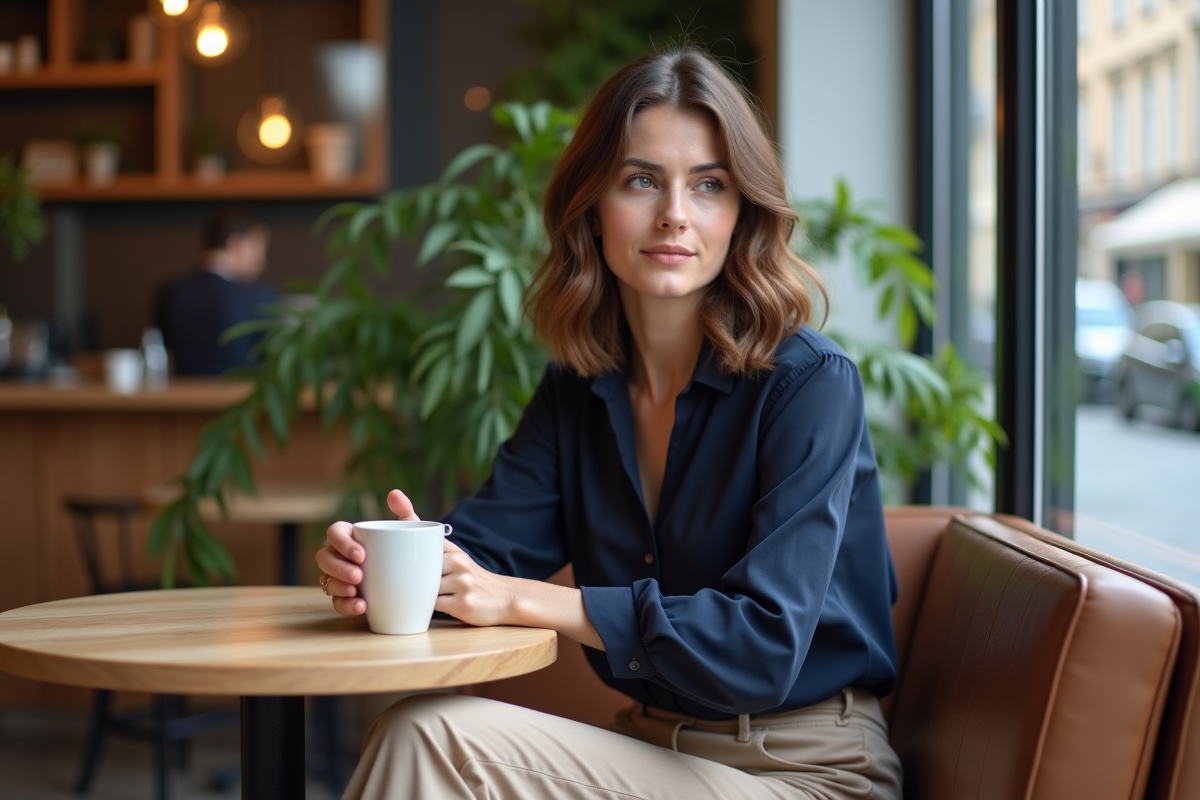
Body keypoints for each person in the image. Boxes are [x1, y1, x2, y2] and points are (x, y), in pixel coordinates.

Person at [317, 48, 904, 800]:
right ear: (591, 208)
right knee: (418, 731)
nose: (674, 215)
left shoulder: (810, 385)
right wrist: (382, 563)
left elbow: (762, 646)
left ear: (742, 213)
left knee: (426, 739)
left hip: (807, 769)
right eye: (641, 180)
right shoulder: (580, 387)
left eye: (709, 185)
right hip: (652, 749)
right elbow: (489, 547)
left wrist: (521, 599)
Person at [155, 208, 277, 375]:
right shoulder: (259, 297)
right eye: (259, 248)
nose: (262, 261)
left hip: (179, 398)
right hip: (244, 398)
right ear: (237, 244)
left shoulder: (168, 293)